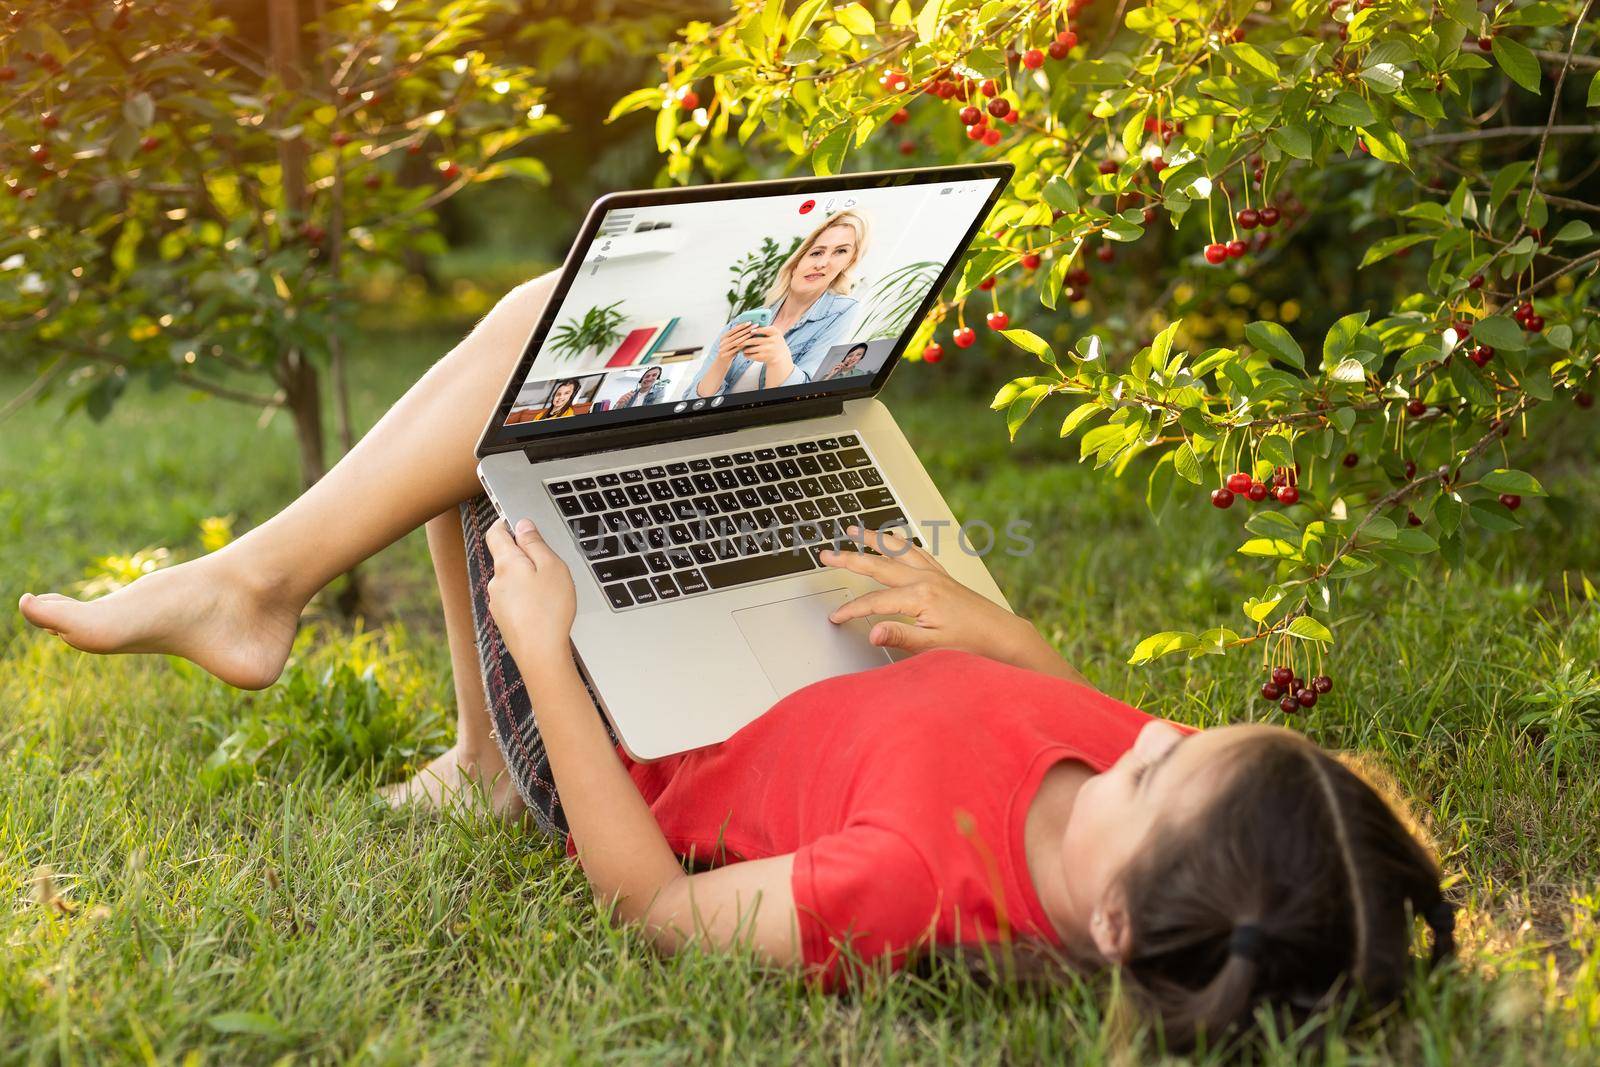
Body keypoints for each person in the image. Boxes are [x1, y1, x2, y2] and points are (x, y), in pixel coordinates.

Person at [15, 275, 1455, 1050]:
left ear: (1124, 928)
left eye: (1162, 767)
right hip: (785, 650)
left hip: (633, 716)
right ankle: (294, 616)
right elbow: (1069, 708)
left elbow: (658, 905)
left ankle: (324, 641)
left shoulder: (905, 891)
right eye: (1187, 735)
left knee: (524, 373)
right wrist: (993, 634)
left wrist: (552, 662)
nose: (1152, 731)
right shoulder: (1128, 786)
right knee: (602, 364)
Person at [694, 210, 868, 398]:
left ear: (849, 262)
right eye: (816, 252)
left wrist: (778, 358)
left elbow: (804, 399)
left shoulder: (842, 312)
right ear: (795, 265)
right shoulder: (742, 323)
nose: (821, 263)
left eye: (840, 251)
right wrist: (723, 359)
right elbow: (690, 401)